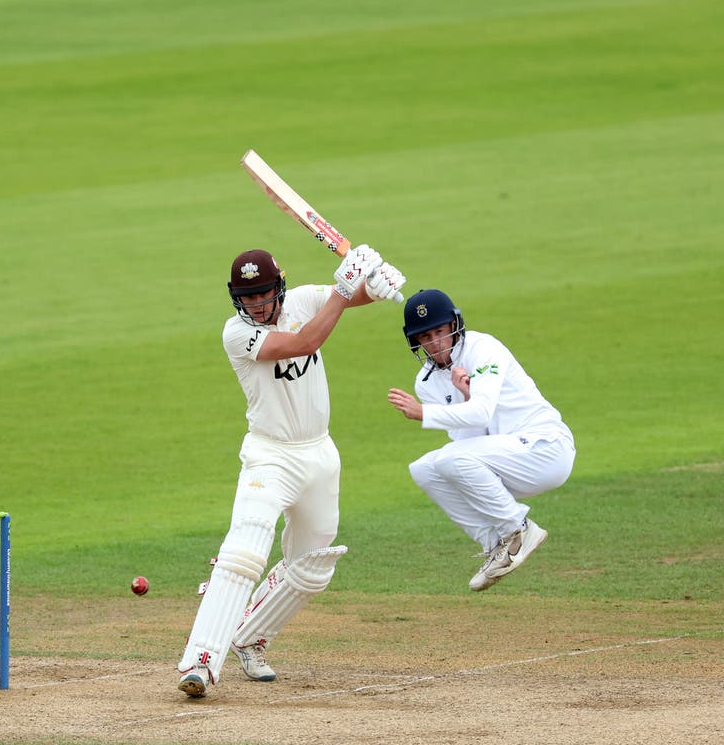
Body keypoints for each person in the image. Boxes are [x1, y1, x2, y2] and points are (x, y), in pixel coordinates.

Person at [177, 245, 407, 698]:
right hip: (269, 456)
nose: (257, 305)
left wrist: (376, 286)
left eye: (263, 295)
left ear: (278, 287)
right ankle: (201, 661)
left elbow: (350, 297)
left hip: (319, 454)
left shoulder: (301, 301)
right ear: (236, 299)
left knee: (312, 568)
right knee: (246, 550)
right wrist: (345, 288)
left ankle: (249, 637)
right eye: (248, 298)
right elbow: (305, 343)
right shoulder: (235, 334)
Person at [386, 289, 575, 592]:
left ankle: (518, 529)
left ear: (454, 326)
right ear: (416, 341)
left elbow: (482, 413)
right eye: (425, 336)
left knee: (447, 458)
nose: (435, 343)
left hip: (547, 449)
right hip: (508, 460)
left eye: (440, 331)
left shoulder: (482, 348)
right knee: (423, 468)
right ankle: (497, 545)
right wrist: (466, 396)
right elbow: (469, 441)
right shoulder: (426, 382)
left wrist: (425, 413)